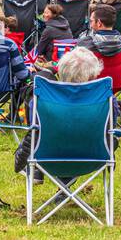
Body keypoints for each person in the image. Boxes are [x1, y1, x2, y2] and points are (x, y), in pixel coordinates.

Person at [14, 46, 101, 177]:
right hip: (93, 158)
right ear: (93, 75)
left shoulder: (41, 102)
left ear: (61, 73)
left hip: (47, 157)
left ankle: (56, 185)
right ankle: (64, 188)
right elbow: (109, 131)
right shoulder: (105, 102)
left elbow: (34, 130)